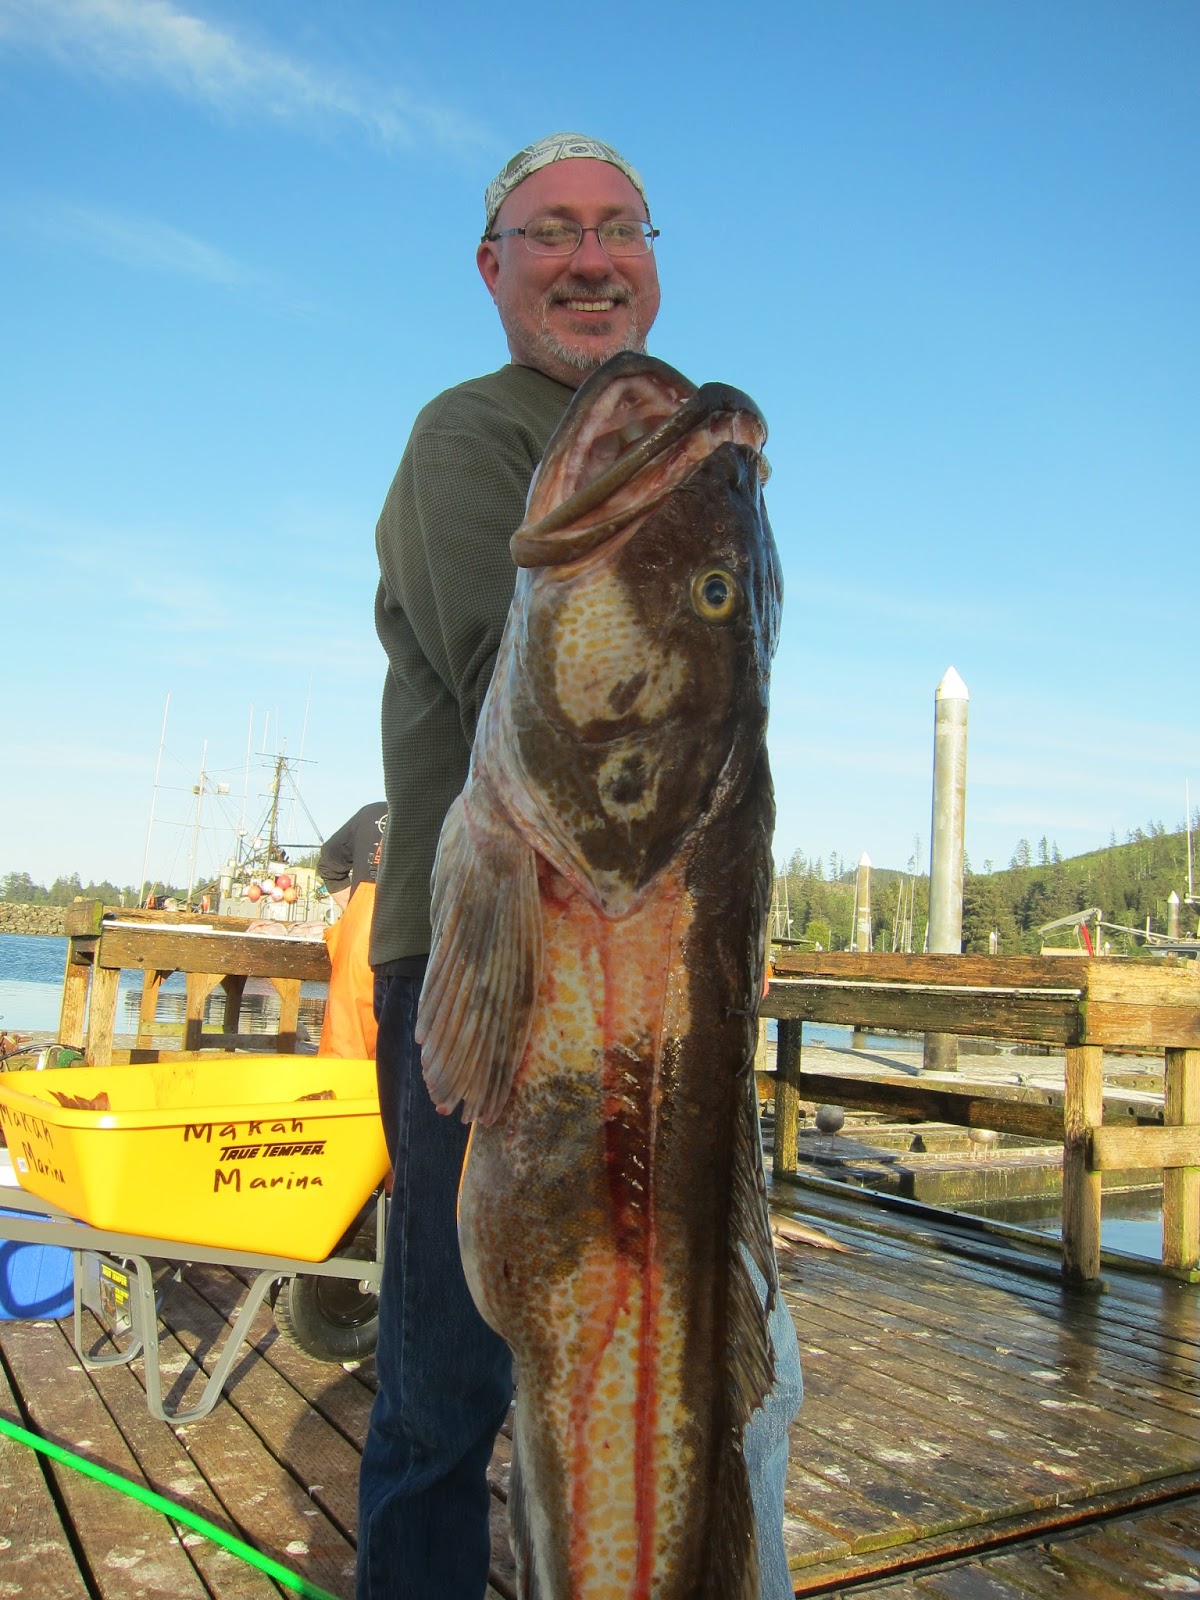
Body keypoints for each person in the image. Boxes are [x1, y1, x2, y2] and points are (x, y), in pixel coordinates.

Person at [360, 132, 802, 1600]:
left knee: (692, 1371)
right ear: (493, 269)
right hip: (489, 956)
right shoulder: (467, 437)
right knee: (445, 1395)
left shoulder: (661, 457)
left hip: (661, 959)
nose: (593, 259)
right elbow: (511, 673)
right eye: (552, 232)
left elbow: (702, 705)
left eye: (621, 227)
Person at [316, 801, 387, 1058]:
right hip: (418, 942)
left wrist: (353, 907)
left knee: (346, 1042)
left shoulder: (372, 814)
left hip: (361, 941)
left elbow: (329, 863)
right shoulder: (448, 814)